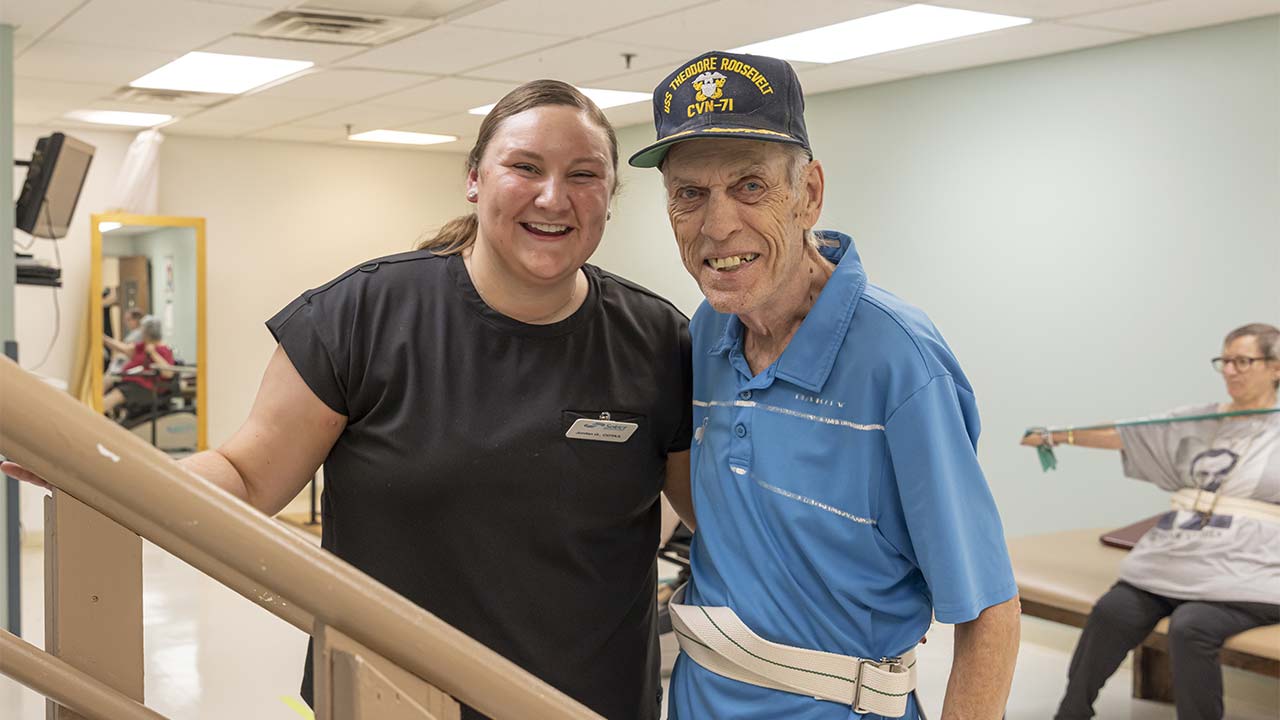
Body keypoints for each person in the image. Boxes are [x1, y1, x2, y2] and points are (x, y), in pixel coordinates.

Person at [6, 80, 694, 720]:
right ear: (475, 180)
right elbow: (249, 475)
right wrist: (109, 470)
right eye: (525, 167)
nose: (553, 196)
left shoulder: (659, 342)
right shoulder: (364, 315)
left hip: (583, 705)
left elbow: (712, 517)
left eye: (583, 175)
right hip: (388, 699)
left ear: (609, 194)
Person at [628, 51, 1020, 719]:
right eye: (690, 193)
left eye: (750, 186)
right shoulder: (710, 330)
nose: (717, 225)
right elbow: (729, 501)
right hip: (698, 697)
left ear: (809, 194)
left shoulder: (898, 360)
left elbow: (990, 613)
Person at [1022, 322, 1280, 720]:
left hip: (1247, 575)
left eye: (1243, 361)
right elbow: (1130, 435)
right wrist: (1060, 436)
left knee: (1191, 626)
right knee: (1113, 610)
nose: (1230, 371)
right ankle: (1071, 713)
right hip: (1176, 562)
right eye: (1224, 361)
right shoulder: (1203, 420)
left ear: (1276, 367)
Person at [102, 314, 176, 416]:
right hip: (130, 383)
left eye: (142, 330)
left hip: (144, 388)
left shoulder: (163, 350)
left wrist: (153, 353)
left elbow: (168, 373)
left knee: (110, 400)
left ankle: (90, 418)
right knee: (107, 380)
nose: (141, 333)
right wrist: (104, 338)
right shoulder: (142, 346)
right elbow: (123, 348)